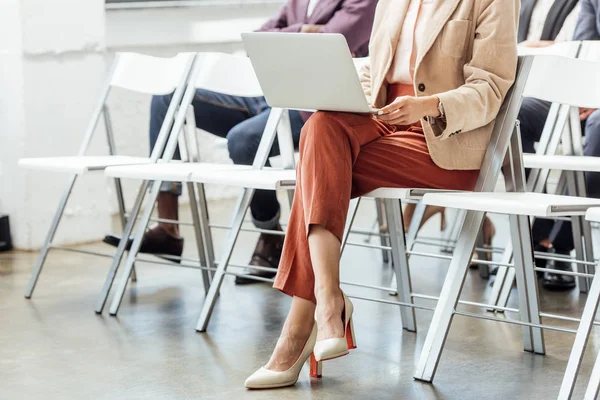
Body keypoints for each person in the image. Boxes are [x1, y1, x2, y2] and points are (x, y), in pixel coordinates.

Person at [245, 0, 518, 389]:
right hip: (384, 119)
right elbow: (376, 68)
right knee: (321, 127)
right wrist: (351, 100)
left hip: (443, 137)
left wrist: (428, 105)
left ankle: (303, 323)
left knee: (319, 164)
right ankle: (327, 299)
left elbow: (490, 87)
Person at [103, 0, 378, 284]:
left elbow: (331, 43)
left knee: (244, 140)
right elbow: (257, 39)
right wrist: (304, 30)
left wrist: (296, 34)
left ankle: (270, 236)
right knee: (168, 99)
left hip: (312, 105)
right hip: (265, 94)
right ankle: (168, 228)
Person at [517, 0, 599, 291]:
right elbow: (584, 46)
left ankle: (561, 244)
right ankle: (535, 232)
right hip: (579, 92)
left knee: (598, 125)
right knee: (518, 112)